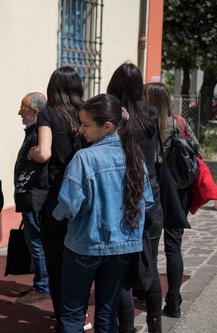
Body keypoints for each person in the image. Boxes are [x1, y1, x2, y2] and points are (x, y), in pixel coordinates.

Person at [53, 93, 154, 333]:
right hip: (123, 246)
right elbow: (147, 201)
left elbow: (68, 205)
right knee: (107, 313)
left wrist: (57, 217)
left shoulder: (84, 158)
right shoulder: (134, 157)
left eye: (86, 125)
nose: (81, 130)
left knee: (72, 314)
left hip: (84, 245)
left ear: (107, 126)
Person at [108, 63, 164, 333]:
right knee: (148, 266)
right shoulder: (150, 113)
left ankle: (126, 329)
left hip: (120, 197)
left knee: (120, 275)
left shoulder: (111, 116)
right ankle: (155, 324)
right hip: (149, 194)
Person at [28, 66, 84, 330]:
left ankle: (66, 320)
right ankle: (80, 316)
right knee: (81, 259)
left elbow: (45, 153)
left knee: (56, 261)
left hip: (56, 196)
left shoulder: (48, 114)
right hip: (84, 195)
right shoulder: (86, 112)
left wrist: (31, 153)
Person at [144, 82, 200, 319]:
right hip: (179, 191)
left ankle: (148, 293)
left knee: (150, 245)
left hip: (154, 190)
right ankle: (174, 301)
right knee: (173, 246)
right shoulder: (178, 121)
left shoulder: (146, 124)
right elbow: (197, 150)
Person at [13, 92, 50, 304]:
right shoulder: (33, 132)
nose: (20, 112)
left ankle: (42, 286)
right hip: (29, 196)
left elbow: (42, 157)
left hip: (34, 197)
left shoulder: (39, 134)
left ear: (35, 111)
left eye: (23, 108)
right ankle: (42, 283)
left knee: (36, 241)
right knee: (35, 240)